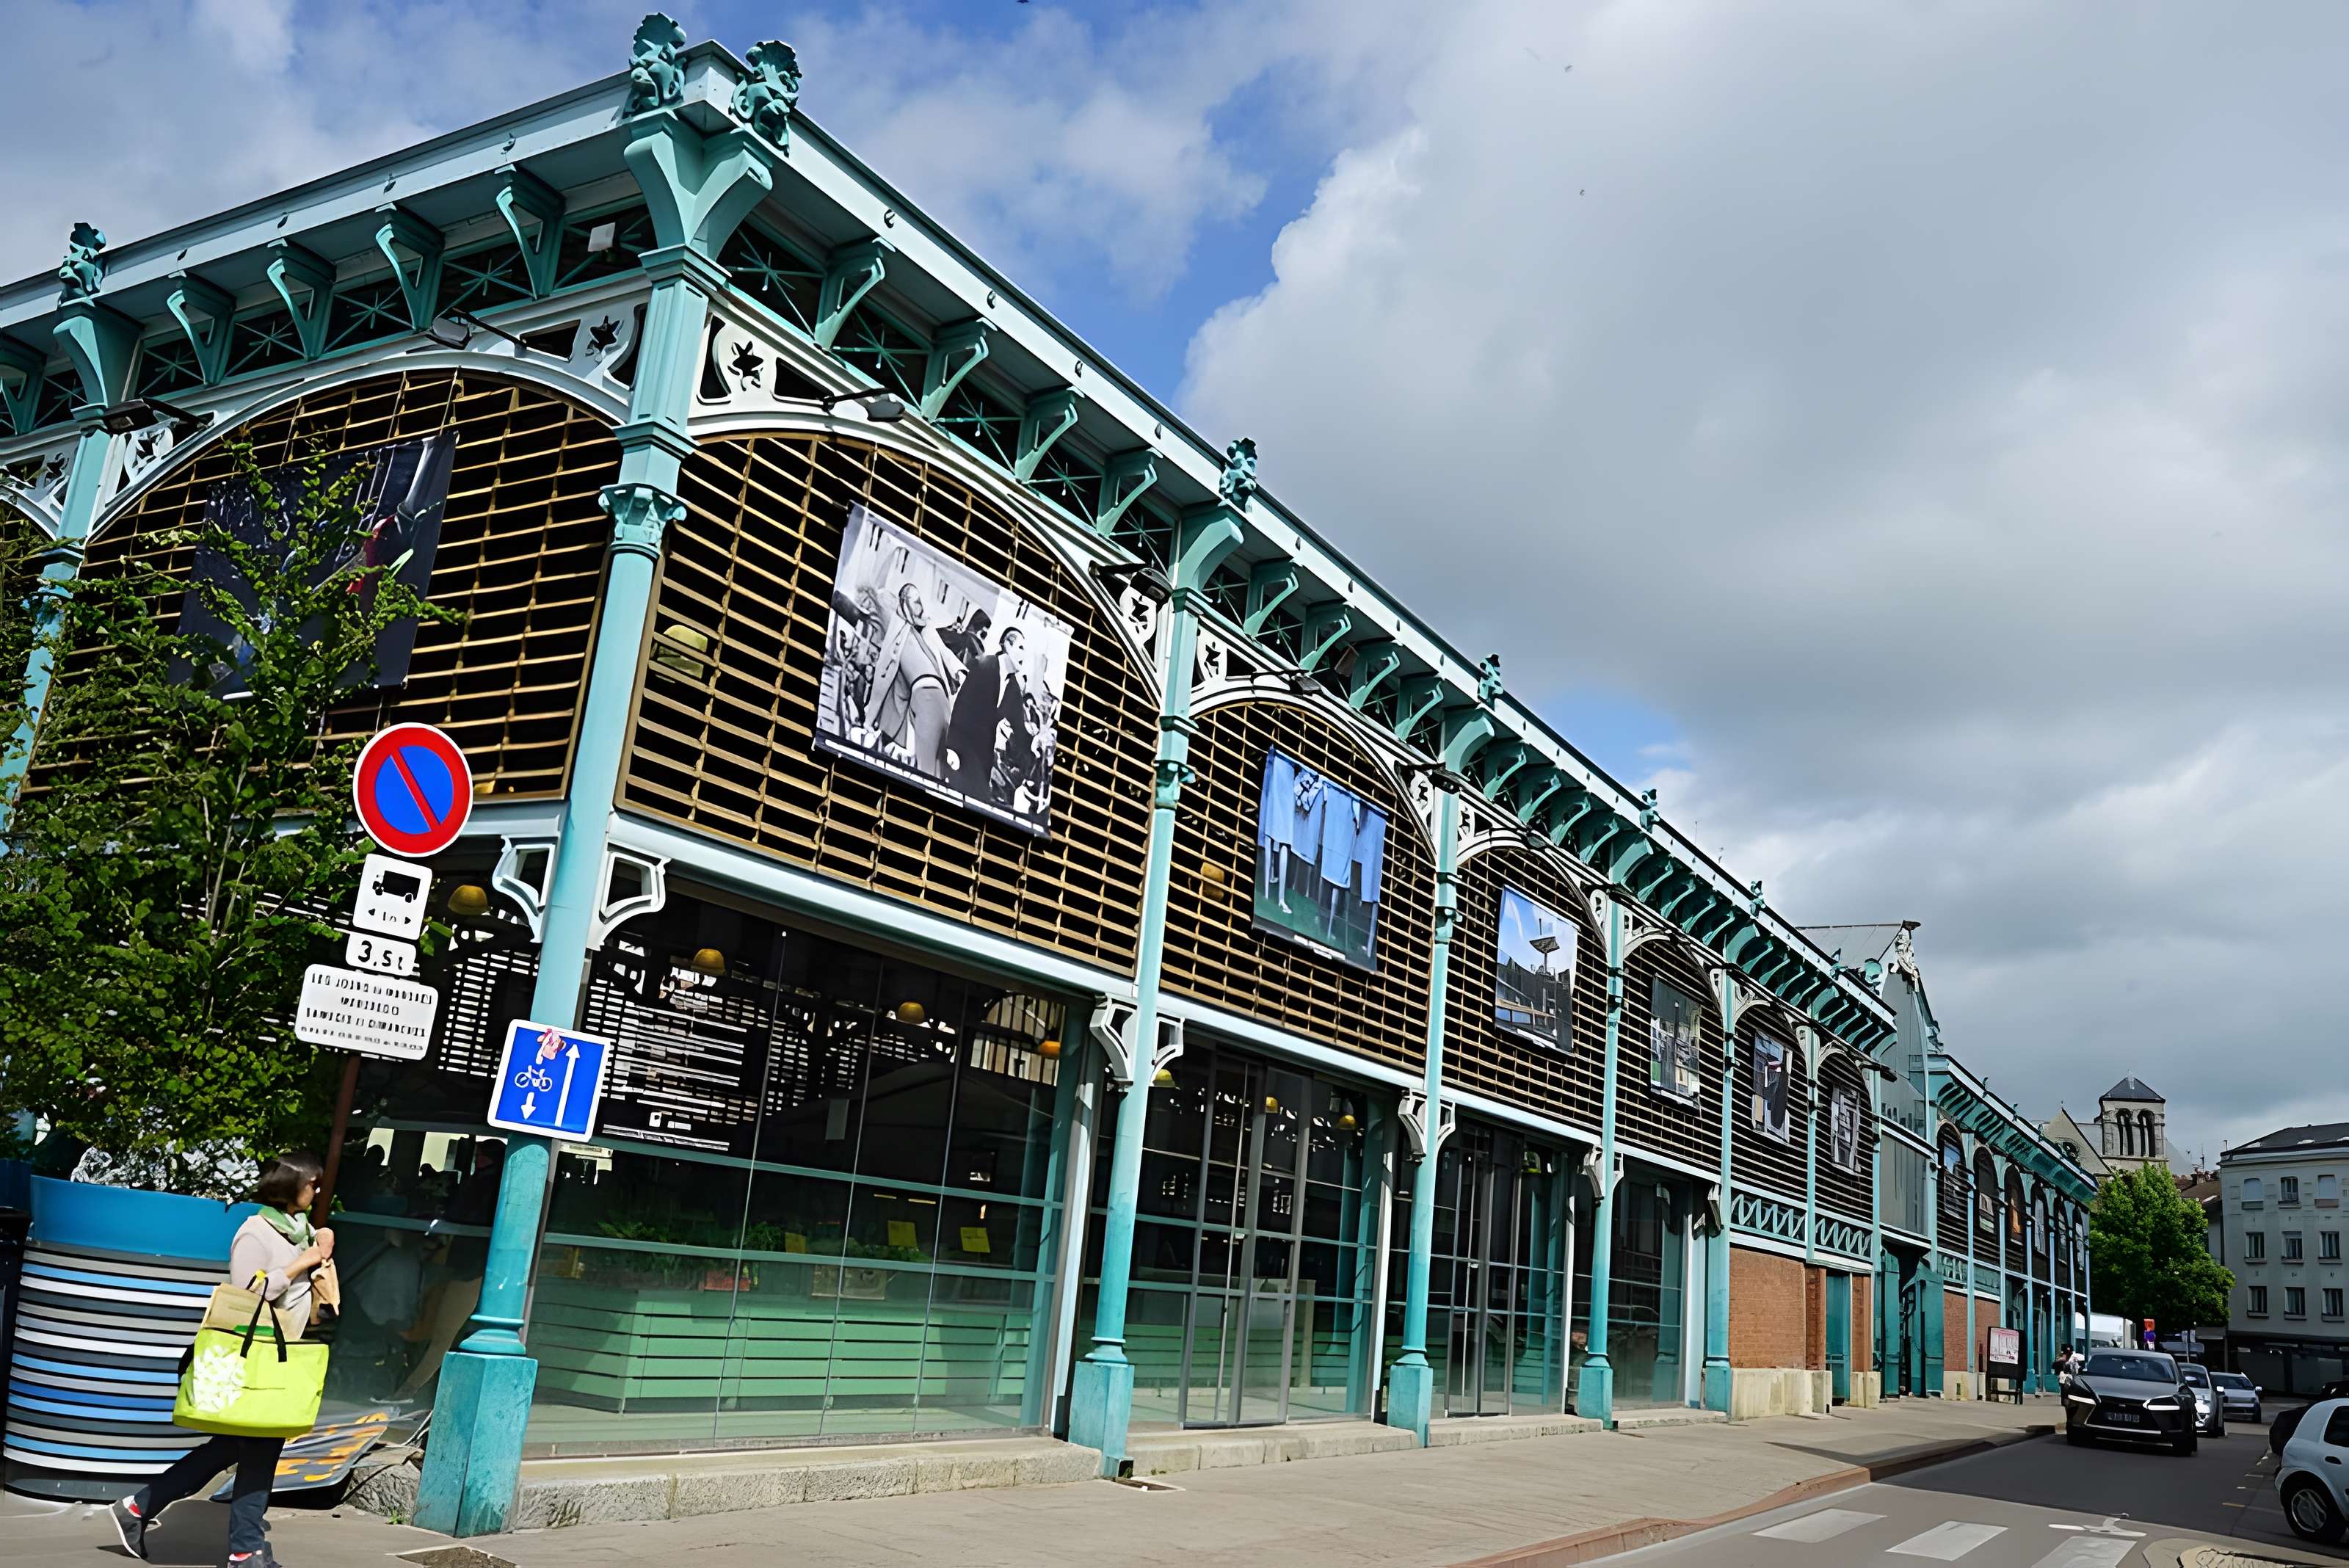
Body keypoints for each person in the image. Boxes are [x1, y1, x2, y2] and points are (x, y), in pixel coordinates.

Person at [111, 1152, 334, 1568]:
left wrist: (320, 1251)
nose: (317, 1191)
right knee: (260, 1451)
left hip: (276, 1359)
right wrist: (303, 1262)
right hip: (255, 1361)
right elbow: (248, 1291)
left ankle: (139, 1507)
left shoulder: (298, 1233)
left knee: (234, 1447)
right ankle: (245, 1551)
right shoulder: (256, 1232)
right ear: (290, 1186)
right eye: (312, 1183)